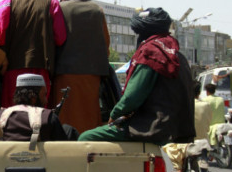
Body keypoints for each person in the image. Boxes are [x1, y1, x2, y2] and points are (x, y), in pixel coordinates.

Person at [78, 8, 195, 144]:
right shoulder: (177, 55)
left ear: (143, 33)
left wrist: (114, 115)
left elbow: (131, 98)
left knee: (86, 138)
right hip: (181, 130)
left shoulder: (151, 53)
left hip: (152, 128)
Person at [0, 0, 67, 107]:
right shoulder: (51, 2)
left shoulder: (7, 3)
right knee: (40, 114)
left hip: (12, 70)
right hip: (41, 69)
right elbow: (60, 37)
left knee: (12, 114)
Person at [48, 0, 110, 134]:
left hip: (64, 75)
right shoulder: (97, 10)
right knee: (89, 121)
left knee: (65, 120)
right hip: (92, 77)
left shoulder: (59, 9)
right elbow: (106, 44)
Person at [0, 74, 76, 145]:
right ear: (33, 97)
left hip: (6, 162)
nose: (46, 101)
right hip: (41, 162)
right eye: (44, 95)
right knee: (68, 129)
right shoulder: (48, 117)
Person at [164, 81, 212, 172]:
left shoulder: (181, 105)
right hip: (204, 140)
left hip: (185, 142)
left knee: (166, 145)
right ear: (199, 92)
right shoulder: (206, 105)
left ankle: (178, 167)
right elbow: (208, 122)